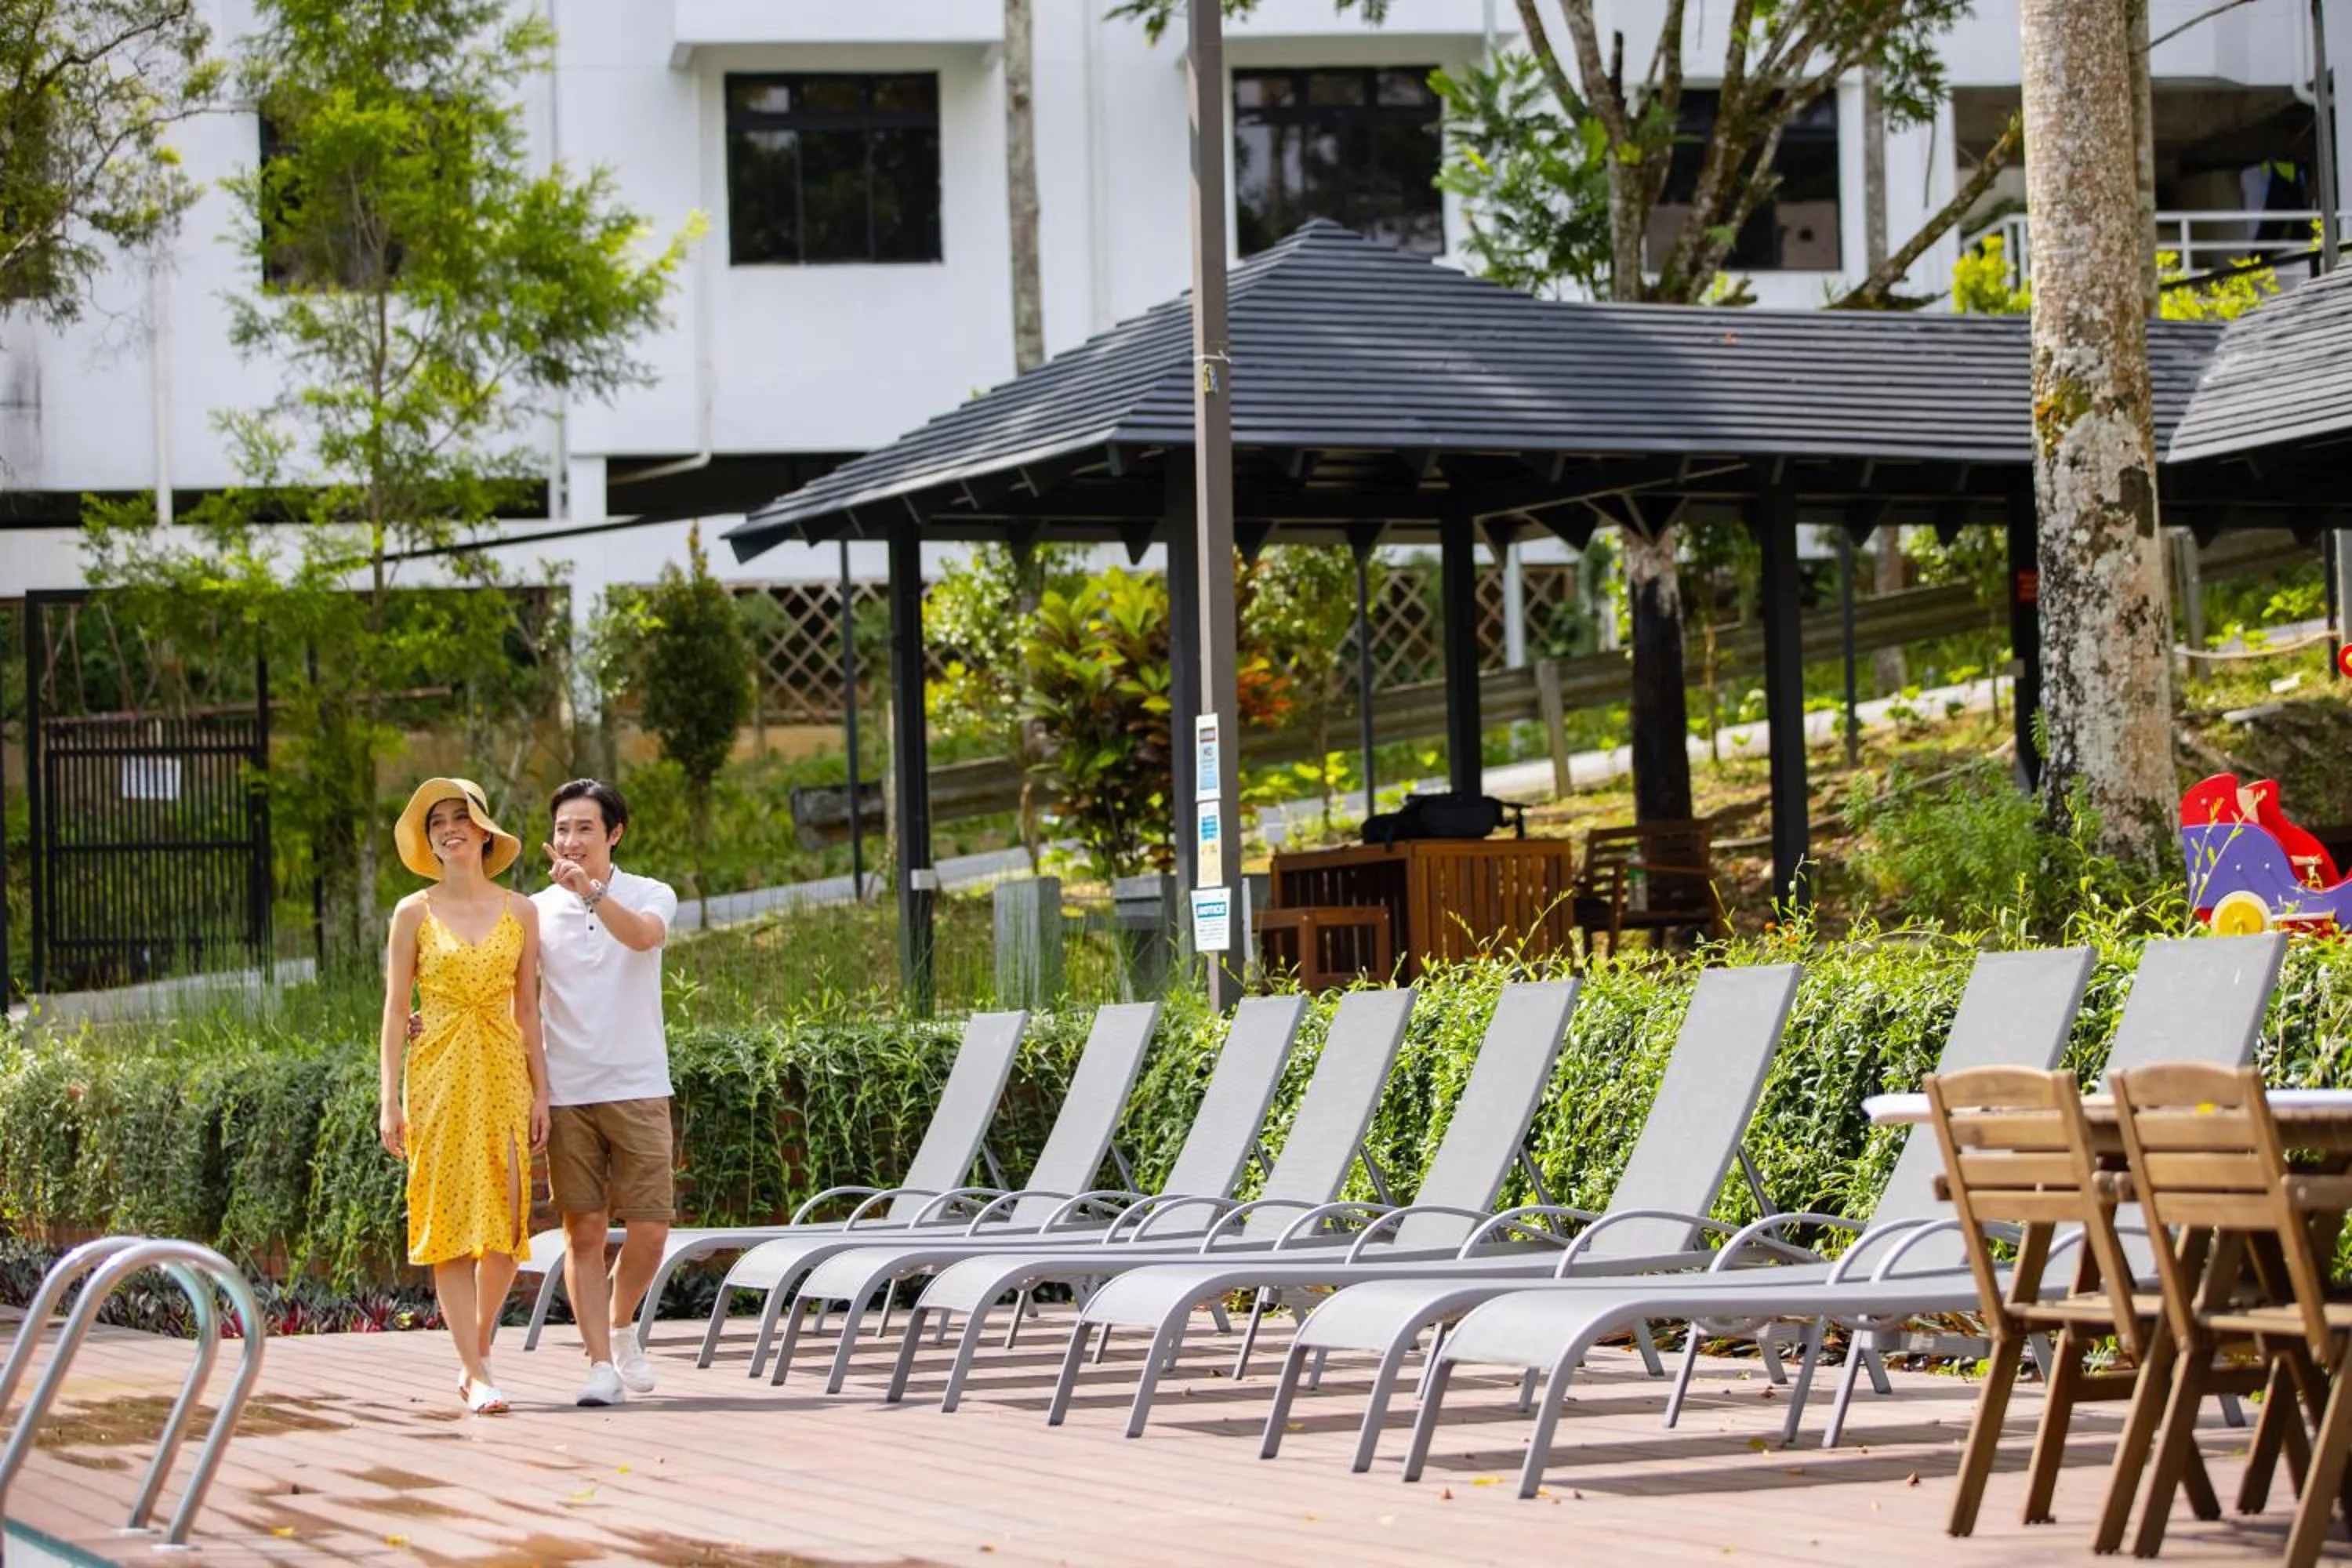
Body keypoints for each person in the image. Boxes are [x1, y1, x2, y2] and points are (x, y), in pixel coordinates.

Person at [379, 778, 551, 1417]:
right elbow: (397, 1011)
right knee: (449, 1226)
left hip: (504, 1069)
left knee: (507, 1228)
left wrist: (542, 1094)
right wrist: (389, 1100)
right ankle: (479, 1374)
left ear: (484, 829)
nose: (449, 828)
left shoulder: (522, 911)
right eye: (437, 822)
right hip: (438, 1073)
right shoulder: (412, 913)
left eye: (460, 816)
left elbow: (529, 1010)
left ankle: (471, 1350)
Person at [532, 779, 679, 1408]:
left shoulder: (651, 894)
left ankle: (621, 1326)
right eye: (563, 829)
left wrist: (590, 892)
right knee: (583, 1232)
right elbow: (508, 995)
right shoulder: (533, 909)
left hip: (639, 1084)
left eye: (585, 828)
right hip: (567, 1093)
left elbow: (643, 937)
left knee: (650, 1230)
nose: (572, 840)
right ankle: (598, 1364)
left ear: (614, 833)